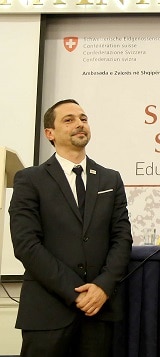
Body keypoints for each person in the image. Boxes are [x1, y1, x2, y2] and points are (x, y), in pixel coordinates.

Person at [9, 99, 132, 357]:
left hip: (100, 311)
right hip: (47, 312)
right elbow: (26, 244)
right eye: (69, 120)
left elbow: (121, 238)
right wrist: (75, 293)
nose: (79, 124)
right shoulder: (30, 180)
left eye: (83, 119)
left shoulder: (111, 178)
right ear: (49, 134)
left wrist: (102, 287)